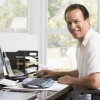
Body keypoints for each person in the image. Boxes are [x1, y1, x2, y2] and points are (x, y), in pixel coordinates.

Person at [37, 4, 100, 100]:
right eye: (69, 23)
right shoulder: (81, 43)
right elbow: (80, 73)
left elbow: (95, 82)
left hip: (87, 96)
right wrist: (55, 73)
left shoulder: (94, 42)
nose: (72, 26)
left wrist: (70, 80)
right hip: (79, 94)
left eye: (76, 21)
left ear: (88, 21)